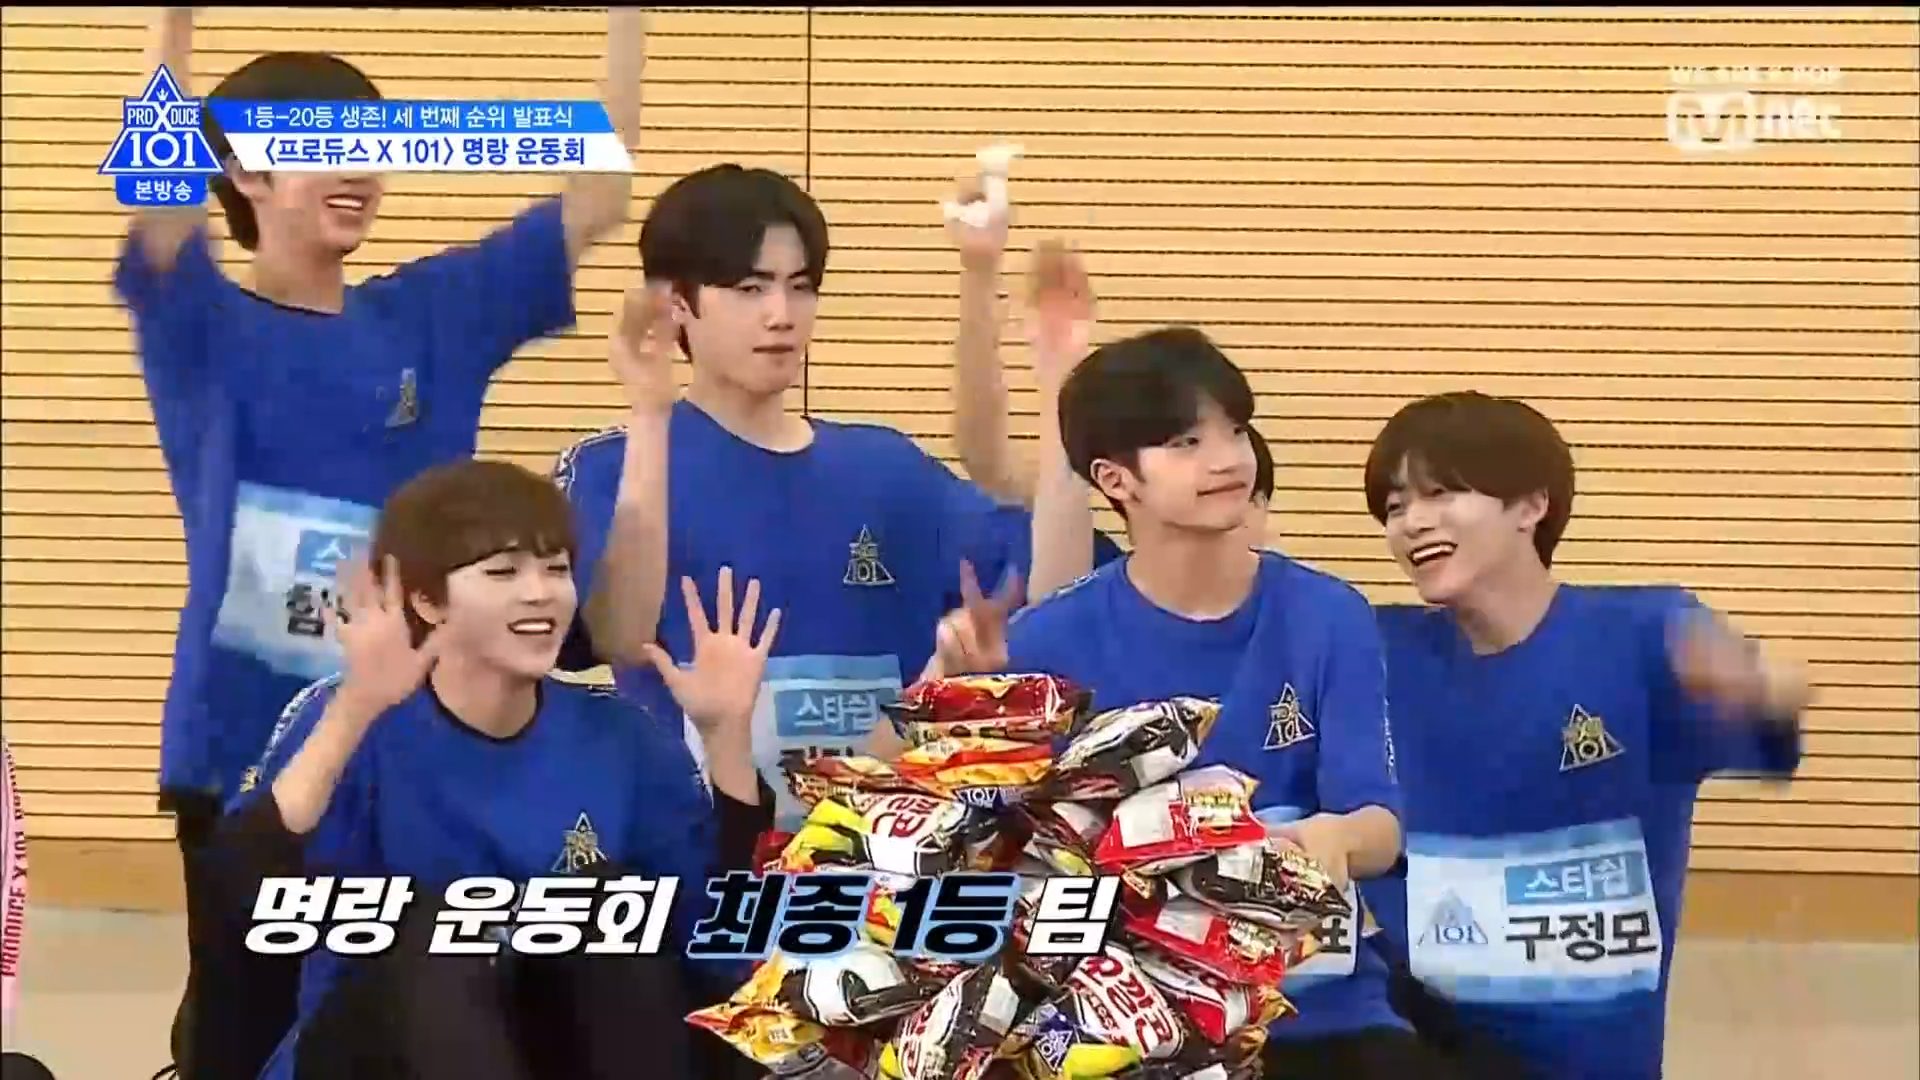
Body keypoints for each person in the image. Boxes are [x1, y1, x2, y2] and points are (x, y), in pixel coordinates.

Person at [113, 11, 643, 1075]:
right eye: (322, 149)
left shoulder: (431, 317)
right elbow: (158, 199)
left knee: (422, 1008)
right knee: (240, 1033)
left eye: (369, 147)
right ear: (246, 176)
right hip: (242, 747)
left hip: (419, 749)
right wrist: (171, 20)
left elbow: (595, 199)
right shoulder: (199, 324)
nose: (357, 172)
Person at [903, 324, 1456, 1079]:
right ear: (1115, 479)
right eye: (1186, 443)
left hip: (1320, 1010)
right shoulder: (1048, 637)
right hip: (1131, 1030)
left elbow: (1379, 825)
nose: (1226, 458)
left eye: (1235, 431)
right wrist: (945, 679)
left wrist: (1328, 839)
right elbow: (924, 813)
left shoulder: (1329, 614)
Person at [552, 163, 1122, 829]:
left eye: (800, 287)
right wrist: (650, 415)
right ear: (676, 302)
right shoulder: (615, 466)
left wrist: (1057, 378)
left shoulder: (888, 469)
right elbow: (616, 636)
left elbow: (1056, 596)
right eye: (749, 288)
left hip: (873, 860)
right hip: (700, 856)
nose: (781, 315)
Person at [196, 457, 776, 1080]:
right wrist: (356, 708)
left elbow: (718, 944)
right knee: (435, 931)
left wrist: (726, 739)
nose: (540, 592)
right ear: (427, 601)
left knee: (606, 907)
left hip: (558, 1045)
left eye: (556, 569)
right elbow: (244, 895)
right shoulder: (352, 719)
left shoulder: (623, 738)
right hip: (382, 1046)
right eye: (503, 572)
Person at [1355, 391, 1808, 1080]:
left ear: (1531, 505)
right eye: (1394, 507)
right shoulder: (1377, 645)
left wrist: (1766, 694)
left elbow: (1764, 735)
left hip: (1588, 1052)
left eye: (1440, 493)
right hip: (1420, 1033)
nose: (1412, 523)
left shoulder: (1646, 633)